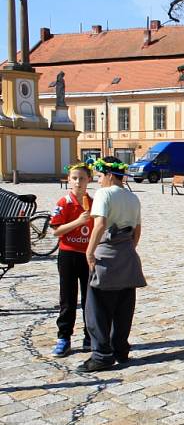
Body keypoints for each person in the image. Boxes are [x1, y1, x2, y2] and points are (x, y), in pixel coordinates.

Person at [77, 157, 146, 372]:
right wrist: (128, 249)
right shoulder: (132, 197)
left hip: (106, 254)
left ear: (108, 174)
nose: (98, 181)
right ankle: (120, 349)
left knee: (97, 308)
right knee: (124, 306)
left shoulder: (104, 194)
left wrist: (89, 251)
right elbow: (137, 230)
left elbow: (100, 225)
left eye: (99, 176)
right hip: (127, 254)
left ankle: (101, 355)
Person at [50, 162, 94, 357]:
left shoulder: (93, 202)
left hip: (86, 255)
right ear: (69, 180)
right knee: (68, 298)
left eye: (82, 178)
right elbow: (56, 231)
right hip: (68, 254)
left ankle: (89, 335)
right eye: (74, 178)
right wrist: (78, 222)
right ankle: (64, 337)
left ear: (88, 180)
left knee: (89, 298)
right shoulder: (64, 203)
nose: (78, 182)